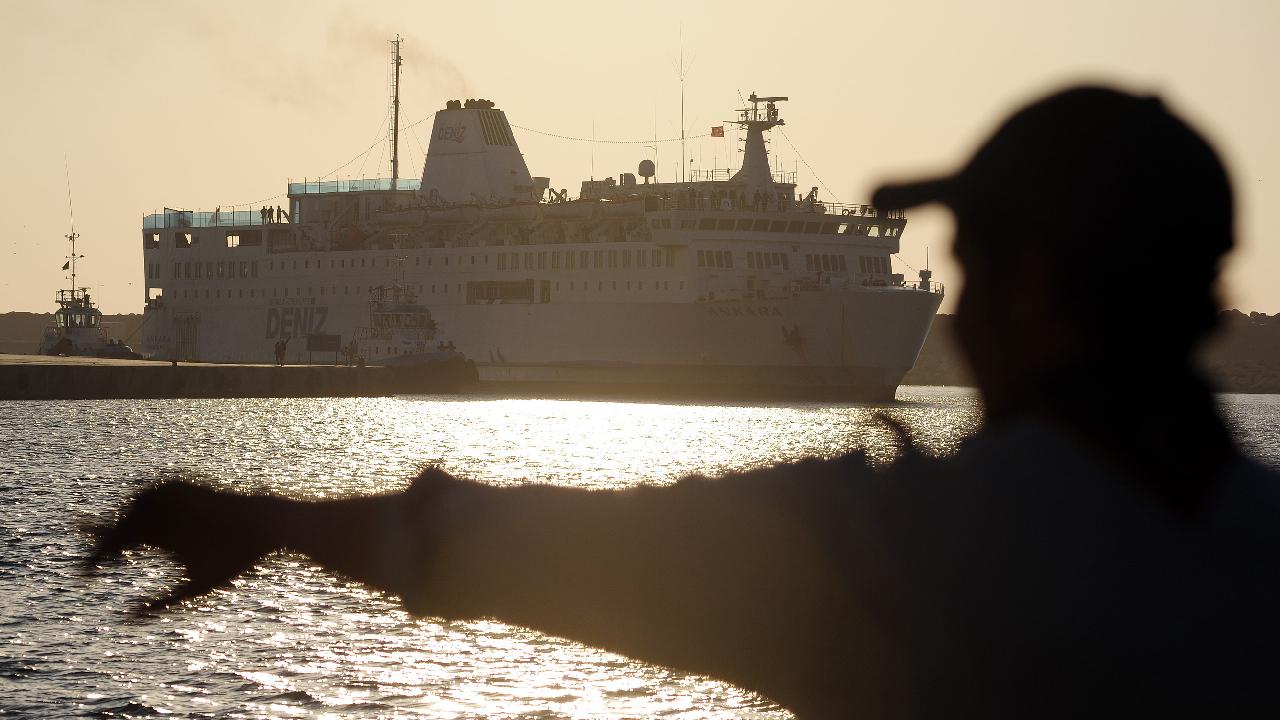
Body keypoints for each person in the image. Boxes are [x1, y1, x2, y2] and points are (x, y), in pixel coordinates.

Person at [86, 86, 1280, 717]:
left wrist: (272, 519)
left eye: (966, 263)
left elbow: (557, 550)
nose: (947, 305)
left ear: (1032, 288)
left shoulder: (913, 553)